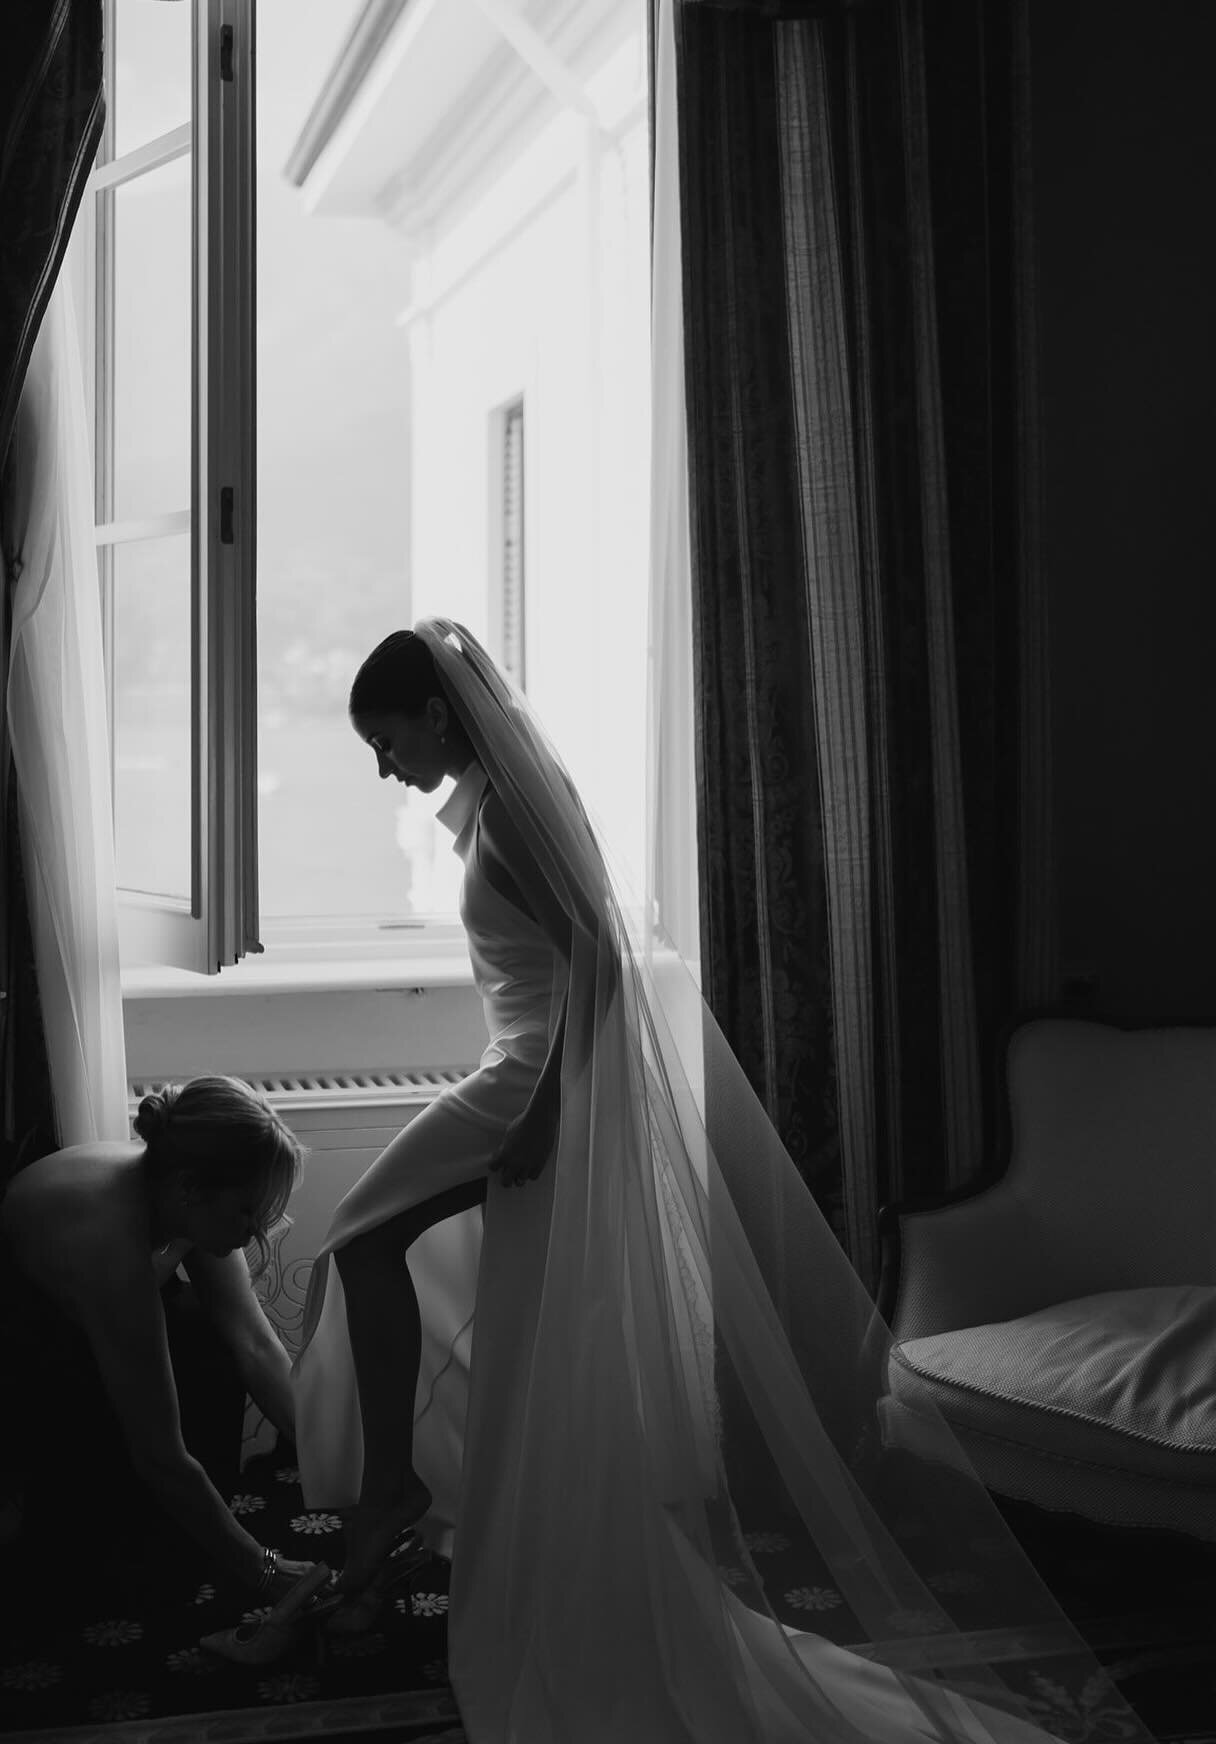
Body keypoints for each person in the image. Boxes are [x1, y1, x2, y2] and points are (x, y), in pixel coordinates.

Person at [292, 618, 1156, 1743]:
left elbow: (599, 962)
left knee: (360, 1237)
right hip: (526, 1071)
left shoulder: (510, 814)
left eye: (386, 739)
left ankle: (397, 1490)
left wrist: (542, 1117)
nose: (384, 766)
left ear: (439, 716)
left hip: (532, 1083)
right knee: (398, 1256)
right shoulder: (508, 802)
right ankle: (442, 1492)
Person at [0, 1076, 315, 1604]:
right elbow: (161, 1452)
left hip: (44, 1343)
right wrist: (263, 1570)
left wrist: (340, 1473)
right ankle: (15, 1543)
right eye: (246, 1210)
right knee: (151, 1410)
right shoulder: (111, 1246)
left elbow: (255, 1346)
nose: (256, 1231)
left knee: (205, 1334)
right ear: (189, 1190)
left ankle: (147, 1536)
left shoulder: (181, 1193)